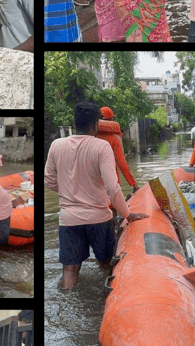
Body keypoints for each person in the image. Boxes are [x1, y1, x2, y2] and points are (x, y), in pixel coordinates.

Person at [44, 102, 148, 290]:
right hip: (99, 218)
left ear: (74, 123)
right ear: (96, 125)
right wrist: (127, 214)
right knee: (106, 264)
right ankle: (105, 303)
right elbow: (112, 187)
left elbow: (49, 180)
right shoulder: (102, 146)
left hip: (69, 219)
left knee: (69, 271)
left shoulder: (56, 145)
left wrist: (69, 193)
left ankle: (68, 304)